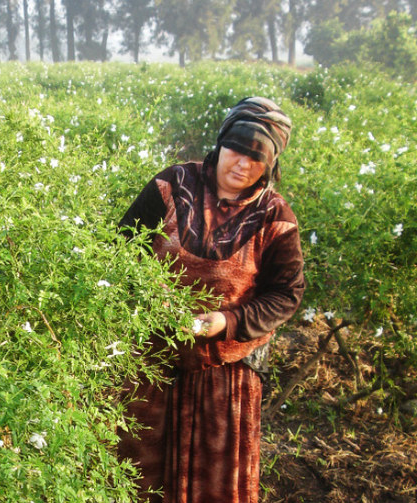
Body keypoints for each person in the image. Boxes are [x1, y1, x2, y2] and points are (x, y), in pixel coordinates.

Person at [116, 97, 306, 502]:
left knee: (214, 488)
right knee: (133, 474)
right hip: (150, 362)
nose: (242, 164)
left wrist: (226, 322)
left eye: (258, 158)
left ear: (270, 166)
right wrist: (147, 304)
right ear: (221, 142)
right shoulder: (170, 186)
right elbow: (118, 251)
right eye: (237, 149)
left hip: (224, 373)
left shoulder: (275, 216)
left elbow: (286, 294)